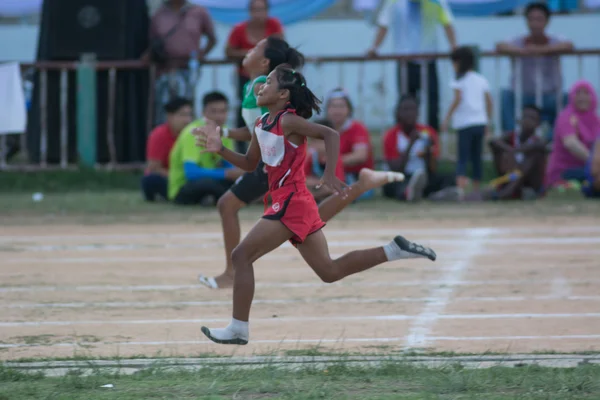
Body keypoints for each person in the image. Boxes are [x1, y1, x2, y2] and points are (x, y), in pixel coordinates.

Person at [194, 64, 436, 345]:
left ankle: (238, 328)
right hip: (292, 203)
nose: (260, 86)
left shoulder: (288, 120)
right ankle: (393, 250)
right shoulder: (262, 124)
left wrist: (330, 172)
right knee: (329, 272)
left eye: (268, 82)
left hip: (291, 203)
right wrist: (221, 149)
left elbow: (330, 135)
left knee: (241, 256)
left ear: (283, 94)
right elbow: (250, 164)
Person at [196, 38, 403, 290]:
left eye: (254, 49)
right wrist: (222, 140)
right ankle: (365, 191)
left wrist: (325, 170)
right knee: (323, 259)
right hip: (271, 168)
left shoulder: (261, 88)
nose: (246, 50)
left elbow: (279, 131)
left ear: (265, 64)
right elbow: (256, 131)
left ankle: (232, 278)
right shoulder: (258, 88)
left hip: (271, 167)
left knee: (235, 213)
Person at [367, 0, 457, 130]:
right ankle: (404, 139)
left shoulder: (436, 1)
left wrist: (454, 47)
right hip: (405, 63)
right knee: (406, 104)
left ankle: (432, 140)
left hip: (428, 61)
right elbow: (383, 25)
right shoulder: (394, 2)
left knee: (433, 103)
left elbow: (447, 24)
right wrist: (374, 48)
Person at [496, 2, 573, 138]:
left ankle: (550, 143)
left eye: (539, 19)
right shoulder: (520, 41)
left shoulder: (554, 40)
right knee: (506, 96)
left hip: (550, 96)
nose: (535, 24)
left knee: (567, 99)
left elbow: (569, 46)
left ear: (547, 21)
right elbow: (500, 46)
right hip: (523, 95)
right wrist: (523, 51)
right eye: (531, 19)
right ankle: (511, 140)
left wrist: (542, 50)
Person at [146, 0, 217, 125]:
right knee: (165, 111)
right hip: (164, 70)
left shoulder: (198, 12)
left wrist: (201, 54)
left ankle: (186, 139)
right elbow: (151, 41)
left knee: (186, 109)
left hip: (188, 71)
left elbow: (212, 38)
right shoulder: (159, 13)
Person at [167, 92, 244, 206]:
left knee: (245, 179)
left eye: (223, 111)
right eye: (214, 111)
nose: (219, 116)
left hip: (211, 181)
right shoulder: (193, 133)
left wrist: (239, 174)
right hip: (183, 187)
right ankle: (240, 198)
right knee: (208, 184)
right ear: (203, 113)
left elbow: (229, 167)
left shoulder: (225, 132)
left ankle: (225, 197)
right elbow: (191, 173)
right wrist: (227, 174)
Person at [226, 0, 284, 133]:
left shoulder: (274, 25)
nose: (258, 13)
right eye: (255, 10)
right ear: (250, 11)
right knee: (247, 109)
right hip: (246, 75)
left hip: (267, 75)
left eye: (261, 9)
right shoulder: (239, 29)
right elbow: (228, 51)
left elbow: (280, 48)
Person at [382, 95, 452, 202]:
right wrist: (411, 143)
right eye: (406, 110)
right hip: (403, 177)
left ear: (418, 113)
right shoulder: (391, 135)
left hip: (423, 176)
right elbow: (396, 169)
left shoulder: (428, 132)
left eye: (413, 109)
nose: (410, 113)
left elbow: (433, 169)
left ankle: (437, 195)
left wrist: (428, 152)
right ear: (398, 113)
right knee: (390, 185)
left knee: (448, 177)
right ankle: (410, 193)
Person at [442, 46, 493, 193]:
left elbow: (457, 99)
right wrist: (487, 120)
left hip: (464, 123)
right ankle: (477, 187)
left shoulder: (458, 80)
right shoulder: (481, 79)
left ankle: (460, 187)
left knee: (463, 156)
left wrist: (447, 118)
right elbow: (489, 102)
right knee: (477, 156)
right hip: (480, 122)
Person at [546, 80, 600, 189]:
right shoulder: (566, 117)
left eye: (586, 93)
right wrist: (594, 162)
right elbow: (571, 143)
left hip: (590, 169)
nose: (582, 97)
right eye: (578, 93)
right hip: (565, 171)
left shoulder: (596, 120)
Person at [486, 105, 547, 200]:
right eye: (525, 117)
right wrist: (509, 150)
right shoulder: (511, 136)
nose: (527, 121)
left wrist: (513, 151)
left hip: (530, 181)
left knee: (535, 154)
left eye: (532, 118)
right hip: (511, 175)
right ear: (519, 120)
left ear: (538, 124)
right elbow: (493, 142)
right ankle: (507, 189)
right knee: (498, 149)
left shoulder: (538, 141)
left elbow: (536, 146)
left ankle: (505, 193)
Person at [141, 97, 193, 201]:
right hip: (170, 178)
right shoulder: (159, 135)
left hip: (190, 178)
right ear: (170, 116)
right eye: (182, 115)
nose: (187, 120)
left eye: (189, 115)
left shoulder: (193, 134)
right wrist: (178, 176)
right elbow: (154, 168)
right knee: (150, 179)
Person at [324, 88, 375, 180]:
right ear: (327, 109)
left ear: (349, 109)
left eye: (341, 106)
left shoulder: (358, 128)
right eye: (333, 106)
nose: (337, 110)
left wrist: (330, 162)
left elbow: (360, 156)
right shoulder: (323, 129)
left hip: (357, 177)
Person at [304, 120, 347, 202]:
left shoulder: (335, 158)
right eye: (313, 140)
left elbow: (337, 183)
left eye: (320, 140)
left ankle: (311, 197)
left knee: (329, 189)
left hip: (331, 189)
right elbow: (303, 178)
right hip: (318, 187)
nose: (315, 144)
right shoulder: (311, 157)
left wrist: (316, 182)